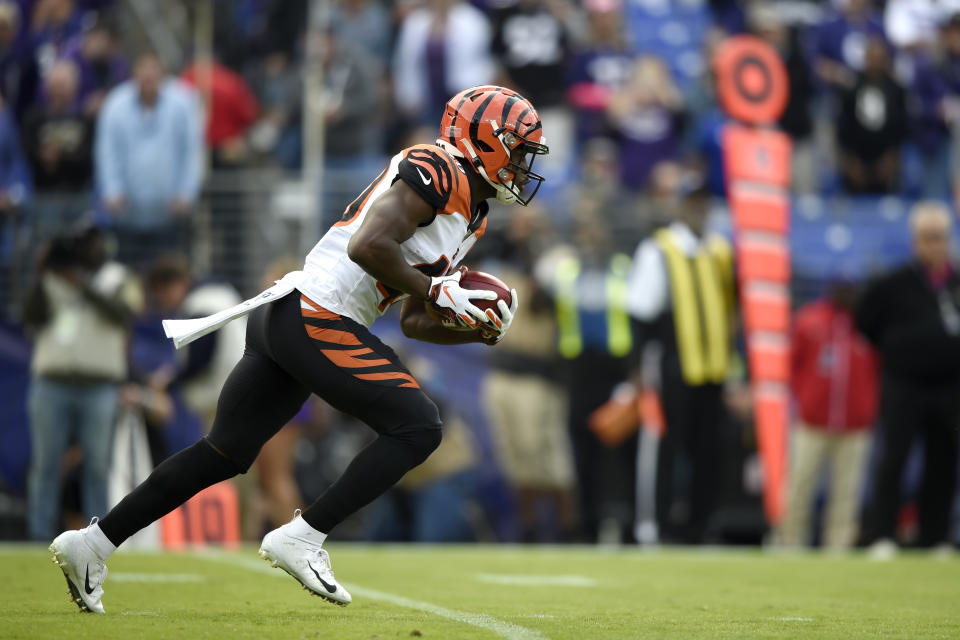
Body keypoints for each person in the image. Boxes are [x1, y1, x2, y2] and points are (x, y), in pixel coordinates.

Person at [49, 84, 547, 613]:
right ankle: (304, 536)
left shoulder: (473, 213)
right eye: (516, 150)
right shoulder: (438, 168)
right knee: (419, 425)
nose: (520, 166)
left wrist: (474, 324)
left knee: (223, 452)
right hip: (316, 310)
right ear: (482, 139)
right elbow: (367, 245)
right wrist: (436, 288)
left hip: (292, 314)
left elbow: (415, 319)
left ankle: (91, 545)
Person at [625, 178, 736, 544]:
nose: (700, 208)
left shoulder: (720, 250)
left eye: (705, 201)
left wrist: (737, 371)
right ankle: (654, 525)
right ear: (679, 205)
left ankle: (700, 527)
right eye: (693, 201)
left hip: (715, 366)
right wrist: (638, 367)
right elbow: (640, 311)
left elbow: (732, 312)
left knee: (711, 452)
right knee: (664, 449)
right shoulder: (659, 249)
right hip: (672, 365)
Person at [21, 222, 141, 541]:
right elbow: (30, 316)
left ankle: (96, 539)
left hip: (99, 385)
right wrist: (42, 272)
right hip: (52, 382)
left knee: (97, 466)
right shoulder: (52, 279)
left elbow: (124, 313)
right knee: (46, 464)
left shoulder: (118, 278)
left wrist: (83, 284)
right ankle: (38, 535)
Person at [856, 201, 960, 558]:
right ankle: (882, 533)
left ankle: (934, 536)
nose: (935, 244)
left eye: (940, 237)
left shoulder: (956, 281)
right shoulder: (893, 283)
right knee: (894, 459)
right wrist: (899, 349)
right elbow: (864, 322)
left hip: (950, 386)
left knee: (943, 461)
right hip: (904, 384)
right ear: (915, 240)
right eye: (927, 237)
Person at [781, 280, 879, 550]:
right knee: (799, 486)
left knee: (847, 492)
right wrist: (805, 400)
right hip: (811, 421)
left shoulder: (868, 323)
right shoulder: (809, 320)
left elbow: (880, 371)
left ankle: (839, 547)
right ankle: (789, 544)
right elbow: (790, 365)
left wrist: (867, 407)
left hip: (855, 423)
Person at [94, 53, 203, 267]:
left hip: (169, 215)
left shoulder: (183, 102)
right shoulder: (115, 104)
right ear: (134, 73)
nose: (148, 75)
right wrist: (111, 190)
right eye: (143, 68)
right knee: (127, 278)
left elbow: (192, 151)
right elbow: (107, 151)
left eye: (153, 68)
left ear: (163, 72)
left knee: (167, 276)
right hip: (127, 214)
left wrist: (186, 192)